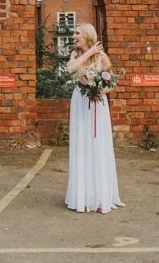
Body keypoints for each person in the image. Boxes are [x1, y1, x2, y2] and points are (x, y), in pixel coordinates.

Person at [64, 22, 124, 214]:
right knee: (82, 144)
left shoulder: (102, 57)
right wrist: (87, 54)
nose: (74, 36)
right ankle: (82, 196)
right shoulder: (76, 55)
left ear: (87, 35)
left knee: (97, 145)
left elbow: (112, 82)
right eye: (74, 33)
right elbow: (70, 69)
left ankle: (100, 196)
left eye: (77, 33)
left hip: (97, 103)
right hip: (80, 102)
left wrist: (98, 91)